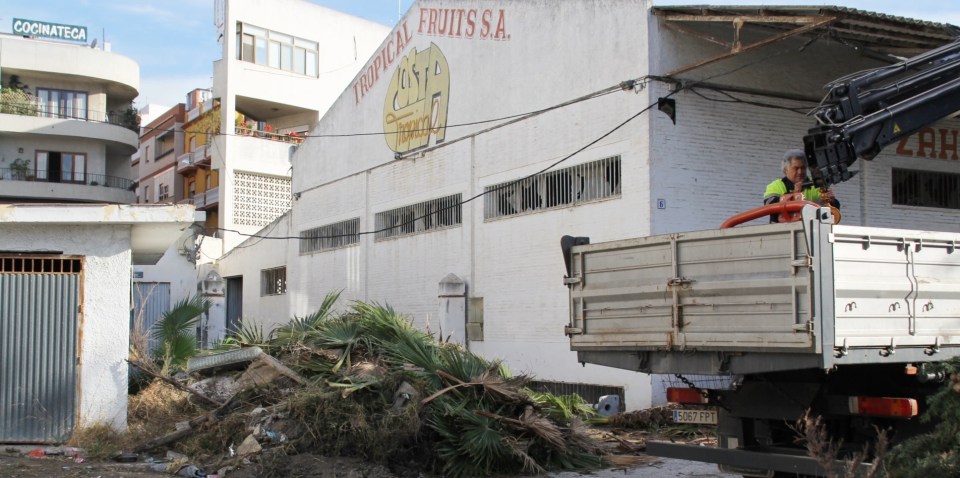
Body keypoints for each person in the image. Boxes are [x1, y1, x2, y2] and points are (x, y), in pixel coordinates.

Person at [763, 149, 839, 223]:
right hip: (783, 231)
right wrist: (794, 195)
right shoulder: (775, 186)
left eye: (803, 168)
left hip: (813, 231)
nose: (800, 172)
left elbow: (832, 212)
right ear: (786, 170)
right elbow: (769, 207)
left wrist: (832, 201)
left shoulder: (816, 184)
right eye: (796, 168)